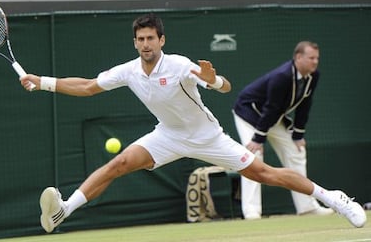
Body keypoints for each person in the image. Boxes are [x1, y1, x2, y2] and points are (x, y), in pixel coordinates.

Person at [19, 14, 366, 233]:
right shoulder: (128, 70)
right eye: (140, 39)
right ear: (135, 42)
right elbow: (89, 86)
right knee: (119, 163)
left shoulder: (179, 64)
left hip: (207, 136)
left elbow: (225, 86)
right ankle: (64, 210)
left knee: (265, 174)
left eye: (150, 38)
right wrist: (44, 82)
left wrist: (214, 80)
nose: (145, 45)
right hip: (167, 136)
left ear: (161, 40)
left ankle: (335, 199)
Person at [232, 41, 335, 220]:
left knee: (297, 151)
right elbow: (271, 107)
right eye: (311, 58)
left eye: (317, 58)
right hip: (248, 113)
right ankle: (251, 211)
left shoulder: (313, 76)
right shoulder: (282, 76)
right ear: (298, 57)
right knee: (253, 158)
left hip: (272, 117)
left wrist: (298, 134)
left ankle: (307, 207)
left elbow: (305, 104)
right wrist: (257, 139)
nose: (315, 62)